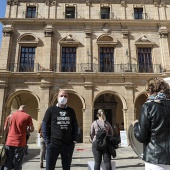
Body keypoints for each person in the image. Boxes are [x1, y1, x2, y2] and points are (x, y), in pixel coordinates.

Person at [133, 78, 170, 170]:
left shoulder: (148, 106)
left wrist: (136, 126)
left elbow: (141, 136)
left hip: (155, 157)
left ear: (150, 90)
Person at [42, 90, 78, 170]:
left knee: (66, 167)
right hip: (53, 144)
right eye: (61, 96)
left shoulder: (71, 111)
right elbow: (44, 124)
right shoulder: (51, 110)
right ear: (57, 97)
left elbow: (75, 125)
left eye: (65, 96)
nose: (63, 98)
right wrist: (47, 141)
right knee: (50, 167)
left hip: (68, 145)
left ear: (67, 98)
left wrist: (74, 139)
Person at [4, 105, 34, 170]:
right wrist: (28, 128)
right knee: (18, 162)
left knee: (8, 161)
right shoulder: (27, 116)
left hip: (9, 141)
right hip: (20, 142)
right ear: (25, 109)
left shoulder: (10, 116)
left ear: (18, 108)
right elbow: (31, 130)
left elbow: (5, 129)